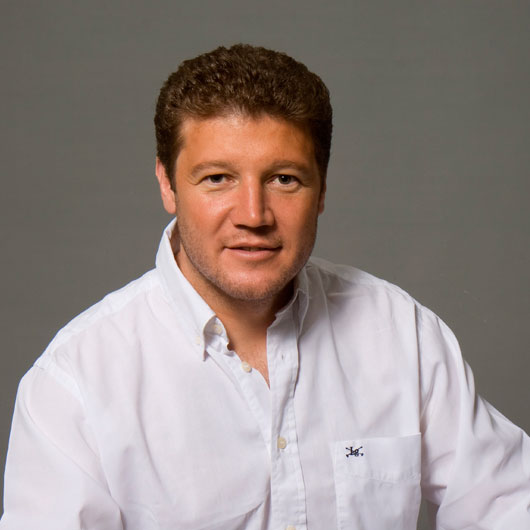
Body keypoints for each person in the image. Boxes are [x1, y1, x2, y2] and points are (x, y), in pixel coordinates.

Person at [1, 44, 529, 530]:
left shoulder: (400, 333)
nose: (253, 215)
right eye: (217, 178)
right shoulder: (76, 383)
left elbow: (509, 506)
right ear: (167, 184)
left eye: (284, 179)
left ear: (322, 188)